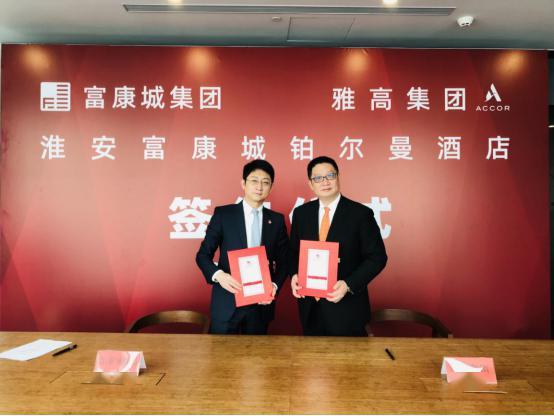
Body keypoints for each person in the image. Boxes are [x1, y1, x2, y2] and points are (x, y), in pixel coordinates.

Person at [289, 156, 387, 336]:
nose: (325, 182)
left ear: (338, 177)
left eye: (330, 176)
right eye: (318, 178)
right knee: (311, 353)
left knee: (348, 355)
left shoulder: (360, 214)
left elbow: (377, 257)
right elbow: (293, 252)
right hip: (310, 307)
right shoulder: (301, 213)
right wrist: (294, 274)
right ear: (311, 184)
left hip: (347, 308)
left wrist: (348, 284)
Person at [196, 159, 289, 334]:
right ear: (243, 183)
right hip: (227, 300)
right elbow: (202, 255)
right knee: (221, 351)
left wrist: (274, 286)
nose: (259, 187)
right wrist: (219, 276)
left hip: (260, 305)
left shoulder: (276, 220)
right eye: (254, 180)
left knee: (256, 352)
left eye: (265, 182)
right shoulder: (224, 214)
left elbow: (284, 262)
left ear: (271, 187)